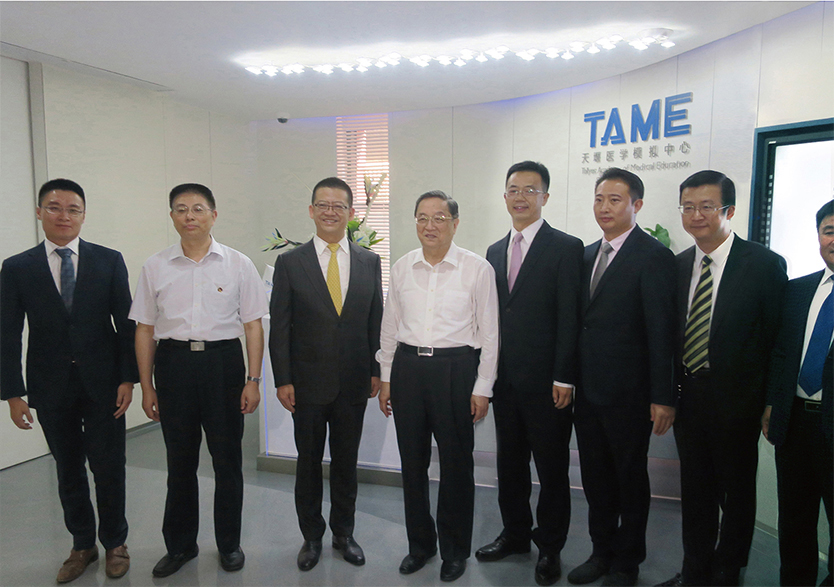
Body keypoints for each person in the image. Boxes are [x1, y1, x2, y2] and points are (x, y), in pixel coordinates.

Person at [0, 178, 137, 583]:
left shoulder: (108, 260)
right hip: (50, 385)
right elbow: (8, 332)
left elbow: (126, 324)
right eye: (54, 207)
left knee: (109, 466)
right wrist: (13, 393)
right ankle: (82, 545)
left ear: (83, 215)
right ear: (39, 212)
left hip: (105, 384)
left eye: (73, 209)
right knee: (68, 468)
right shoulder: (17, 267)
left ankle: (115, 543)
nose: (64, 216)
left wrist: (128, 379)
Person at [130, 183, 268, 577]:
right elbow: (144, 329)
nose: (189, 216)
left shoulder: (238, 264)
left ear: (213, 215)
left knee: (228, 462)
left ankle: (229, 544)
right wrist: (147, 385)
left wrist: (253, 379)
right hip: (173, 365)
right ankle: (180, 546)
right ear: (172, 216)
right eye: (181, 209)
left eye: (198, 208)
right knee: (179, 462)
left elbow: (253, 325)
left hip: (223, 366)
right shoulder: (155, 266)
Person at [658, 170, 787, 587]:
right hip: (689, 396)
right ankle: (694, 570)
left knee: (737, 493)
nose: (695, 215)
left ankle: (727, 572)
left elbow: (777, 340)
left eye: (706, 206)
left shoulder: (763, 265)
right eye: (688, 207)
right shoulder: (678, 265)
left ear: (729, 211)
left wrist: (771, 401)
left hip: (739, 401)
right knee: (695, 491)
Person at [377, 190, 499, 582]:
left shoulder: (477, 269)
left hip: (456, 369)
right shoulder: (402, 267)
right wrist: (387, 377)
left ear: (455, 223)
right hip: (408, 369)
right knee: (412, 463)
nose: (430, 226)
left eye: (439, 218)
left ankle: (454, 549)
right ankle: (420, 545)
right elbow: (390, 327)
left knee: (456, 464)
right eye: (422, 218)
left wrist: (482, 387)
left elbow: (491, 335)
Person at [567, 168, 676, 587]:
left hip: (630, 395)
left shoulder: (653, 256)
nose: (604, 207)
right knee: (595, 478)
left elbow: (661, 332)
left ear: (637, 205)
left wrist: (662, 396)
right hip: (588, 392)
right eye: (599, 199)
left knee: (629, 480)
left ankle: (627, 562)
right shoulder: (585, 255)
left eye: (615, 200)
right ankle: (600, 552)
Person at [269, 177, 383, 571]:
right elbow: (280, 327)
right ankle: (312, 536)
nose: (330, 212)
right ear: (311, 210)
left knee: (346, 463)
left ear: (350, 213)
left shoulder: (369, 261)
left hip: (354, 381)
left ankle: (344, 533)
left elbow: (375, 320)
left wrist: (375, 369)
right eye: (323, 205)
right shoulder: (290, 263)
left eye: (338, 206)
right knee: (308, 463)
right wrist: (283, 379)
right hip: (306, 384)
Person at [477, 161, 583, 586]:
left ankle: (551, 547)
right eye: (513, 189)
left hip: (548, 385)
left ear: (545, 197)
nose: (520, 197)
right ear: (504, 196)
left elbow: (570, 317)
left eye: (530, 190)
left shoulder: (566, 247)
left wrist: (564, 376)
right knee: (510, 465)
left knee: (552, 469)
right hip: (505, 382)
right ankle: (516, 534)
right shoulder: (493, 252)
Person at [762, 199, 833, 587]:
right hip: (795, 424)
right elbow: (781, 352)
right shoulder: (798, 290)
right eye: (829, 231)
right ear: (819, 236)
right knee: (794, 521)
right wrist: (772, 402)